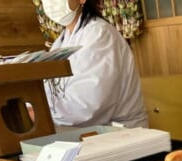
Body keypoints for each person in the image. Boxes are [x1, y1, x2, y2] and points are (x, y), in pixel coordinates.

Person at [41, 0, 148, 128]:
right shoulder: (61, 42)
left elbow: (87, 106)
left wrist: (41, 113)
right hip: (85, 131)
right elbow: (50, 93)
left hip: (120, 133)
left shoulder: (99, 34)